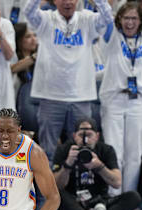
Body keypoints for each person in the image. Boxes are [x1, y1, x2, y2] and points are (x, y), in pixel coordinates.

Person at [24, 0, 114, 161]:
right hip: (51, 96)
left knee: (84, 150)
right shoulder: (46, 19)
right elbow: (29, 11)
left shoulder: (87, 19)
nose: (68, 2)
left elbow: (107, 17)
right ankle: (47, 186)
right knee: (47, 151)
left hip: (81, 96)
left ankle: (80, 186)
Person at [99, 0, 142, 196]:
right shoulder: (112, 35)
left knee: (134, 154)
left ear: (141, 20)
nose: (130, 22)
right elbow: (104, 13)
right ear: (119, 19)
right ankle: (113, 196)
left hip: (138, 101)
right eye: (126, 18)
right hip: (114, 99)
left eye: (134, 18)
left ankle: (128, 198)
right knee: (115, 152)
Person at [52, 117, 140, 210]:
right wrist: (67, 165)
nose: (85, 139)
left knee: (134, 197)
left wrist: (100, 166)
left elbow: (117, 183)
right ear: (74, 136)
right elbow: (56, 186)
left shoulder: (106, 150)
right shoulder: (65, 149)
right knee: (56, 195)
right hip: (75, 202)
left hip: (101, 202)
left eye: (89, 134)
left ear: (97, 136)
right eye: (81, 135)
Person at [10, 22, 38, 95]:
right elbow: (12, 69)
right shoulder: (12, 56)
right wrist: (36, 56)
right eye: (28, 36)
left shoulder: (39, 60)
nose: (33, 39)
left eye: (35, 35)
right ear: (19, 40)